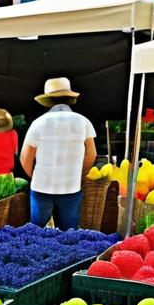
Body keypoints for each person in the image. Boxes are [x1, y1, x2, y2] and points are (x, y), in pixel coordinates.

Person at [20, 78, 97, 231]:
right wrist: (79, 174)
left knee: (35, 232)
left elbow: (25, 157)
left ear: (48, 100)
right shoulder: (83, 122)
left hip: (41, 187)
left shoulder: (39, 123)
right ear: (69, 98)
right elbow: (91, 154)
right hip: (71, 187)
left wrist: (33, 175)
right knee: (69, 233)